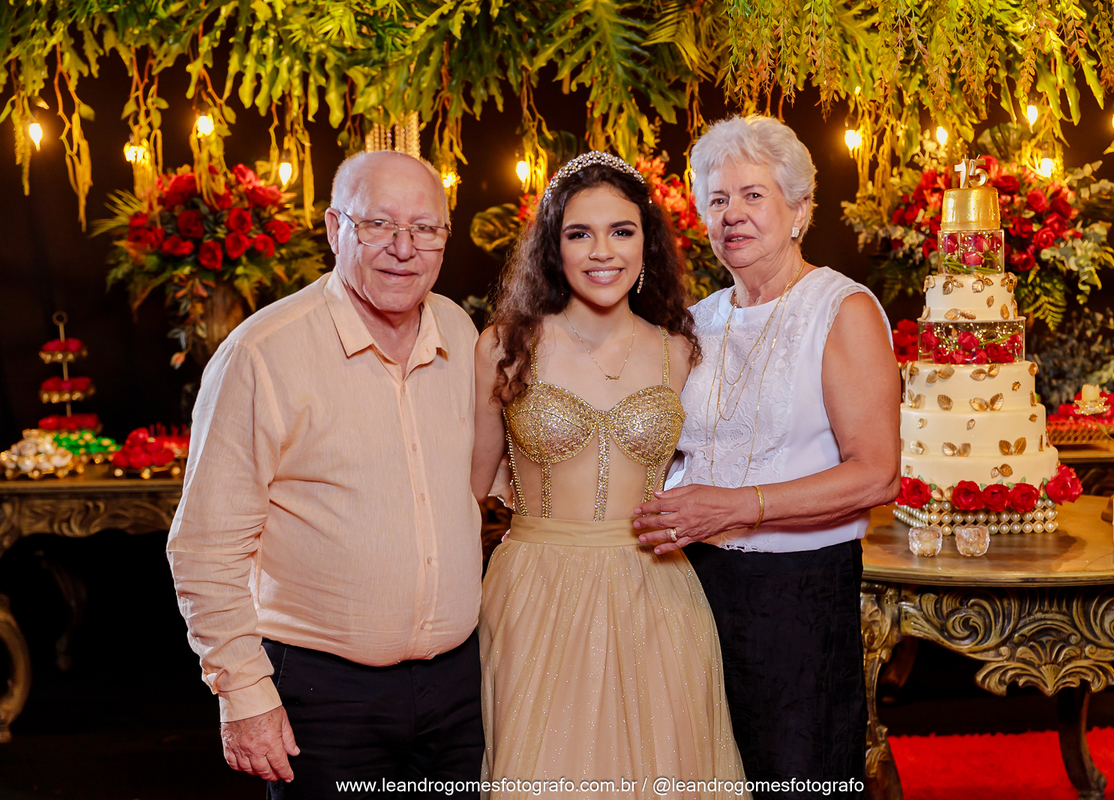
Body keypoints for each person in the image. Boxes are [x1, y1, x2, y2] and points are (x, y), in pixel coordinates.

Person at [167, 151, 484, 799]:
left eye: (425, 229)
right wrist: (244, 693)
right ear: (336, 228)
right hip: (324, 697)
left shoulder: (459, 329)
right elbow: (205, 546)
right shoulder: (262, 354)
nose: (404, 249)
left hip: (459, 691)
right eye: (378, 225)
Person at [633, 116, 900, 795]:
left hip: (798, 597)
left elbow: (876, 474)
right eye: (718, 199)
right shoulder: (699, 320)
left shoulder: (840, 308)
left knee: (797, 778)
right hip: (692, 587)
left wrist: (737, 507)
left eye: (753, 195)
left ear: (799, 209)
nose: (733, 214)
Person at [471, 152, 745, 798]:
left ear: (646, 244)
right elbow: (468, 493)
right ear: (553, 248)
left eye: (621, 231)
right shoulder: (505, 346)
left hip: (657, 593)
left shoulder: (681, 350)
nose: (603, 251)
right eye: (579, 233)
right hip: (535, 592)